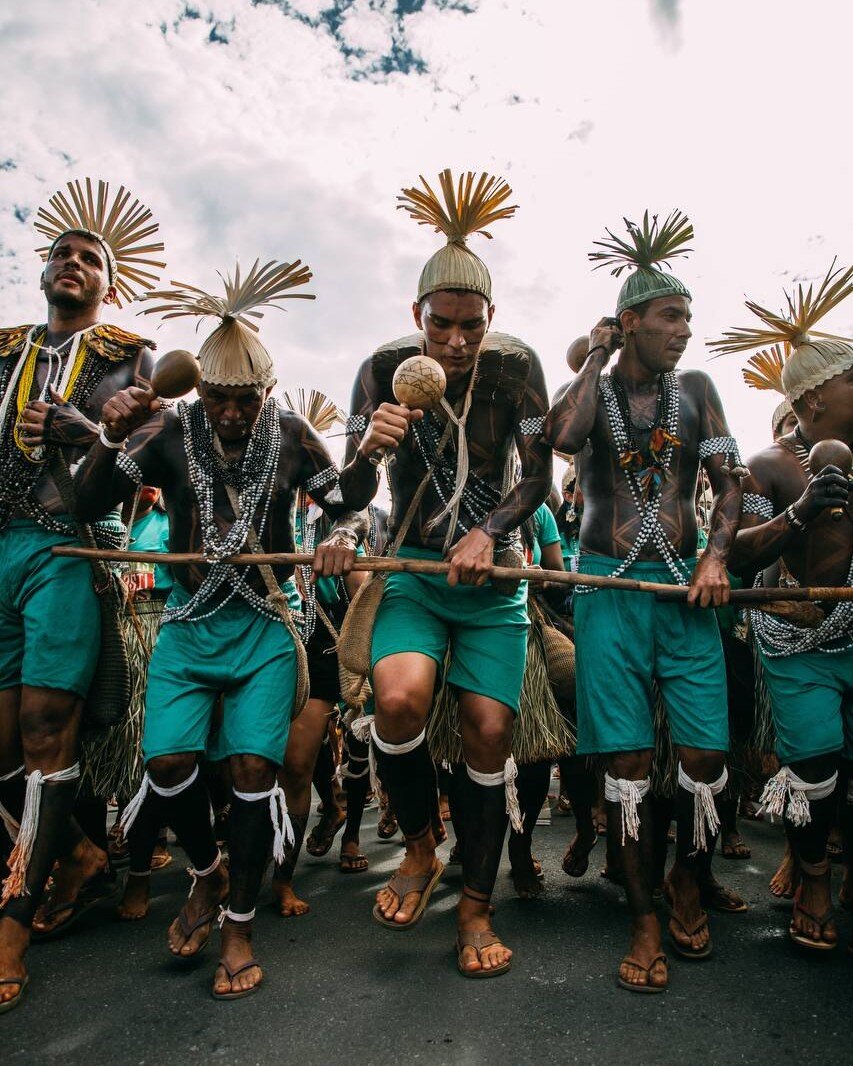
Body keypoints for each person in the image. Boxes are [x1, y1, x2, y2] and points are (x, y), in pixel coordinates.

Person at [72, 258, 371, 1000]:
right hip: (186, 626)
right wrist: (110, 437)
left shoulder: (294, 432)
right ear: (197, 388)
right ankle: (207, 875)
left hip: (266, 626)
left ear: (264, 391)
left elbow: (344, 500)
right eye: (218, 398)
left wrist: (352, 522)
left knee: (250, 775)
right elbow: (87, 503)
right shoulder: (168, 428)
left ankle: (239, 925)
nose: (232, 414)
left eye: (245, 399)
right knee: (169, 767)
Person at [338, 169, 552, 977]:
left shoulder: (516, 367)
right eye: (441, 325)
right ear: (415, 316)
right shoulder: (380, 367)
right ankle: (421, 849)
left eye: (470, 325)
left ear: (490, 319)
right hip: (415, 572)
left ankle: (475, 904)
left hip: (494, 579)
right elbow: (352, 494)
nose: (456, 341)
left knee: (491, 731)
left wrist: (491, 533)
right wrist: (368, 447)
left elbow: (537, 476)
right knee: (395, 700)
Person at [544, 211, 744, 993]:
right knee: (625, 766)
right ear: (628, 321)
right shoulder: (589, 386)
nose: (685, 330)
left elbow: (728, 484)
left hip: (686, 593)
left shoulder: (696, 390)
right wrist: (594, 354)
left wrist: (718, 554)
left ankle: (688, 879)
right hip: (607, 589)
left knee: (703, 759)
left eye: (688, 316)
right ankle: (643, 917)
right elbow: (562, 438)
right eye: (670, 316)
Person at [0, 178, 164, 1012]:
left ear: (110, 285)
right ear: (42, 275)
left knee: (45, 727)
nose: (72, 263)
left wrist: (87, 430)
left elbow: (145, 456)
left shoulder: (129, 358)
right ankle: (77, 857)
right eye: (61, 253)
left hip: (71, 546)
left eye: (89, 258)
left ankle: (14, 921)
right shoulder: (2, 349)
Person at [714, 262, 853, 951]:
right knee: (815, 766)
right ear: (813, 402)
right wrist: (801, 512)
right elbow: (735, 554)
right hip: (796, 636)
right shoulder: (770, 466)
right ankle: (814, 874)